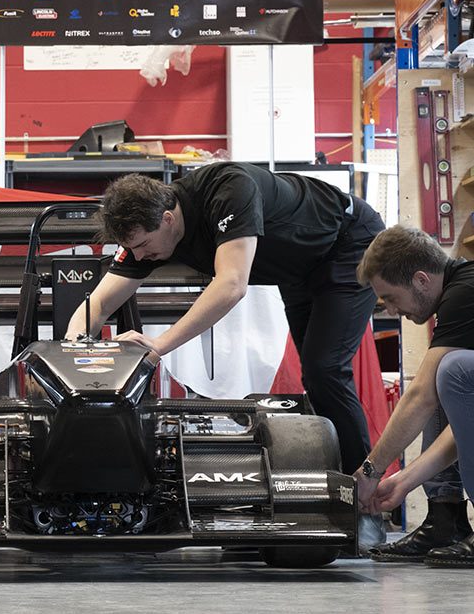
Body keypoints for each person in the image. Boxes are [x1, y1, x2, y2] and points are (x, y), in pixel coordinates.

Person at [66, 162, 384, 481]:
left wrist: (159, 345)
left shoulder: (228, 190)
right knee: (316, 378)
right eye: (130, 250)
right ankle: (341, 484)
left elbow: (232, 285)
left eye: (142, 247)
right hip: (298, 270)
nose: (137, 258)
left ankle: (363, 488)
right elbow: (100, 302)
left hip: (347, 244)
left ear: (167, 219)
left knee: (325, 369)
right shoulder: (147, 235)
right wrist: (72, 353)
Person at [353, 225, 474, 566]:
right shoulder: (459, 291)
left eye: (390, 297)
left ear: (421, 279)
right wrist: (403, 481)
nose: (390, 310)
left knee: (451, 371)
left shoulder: (467, 292)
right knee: (442, 374)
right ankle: (445, 520)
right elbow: (463, 428)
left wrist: (370, 472)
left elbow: (420, 396)